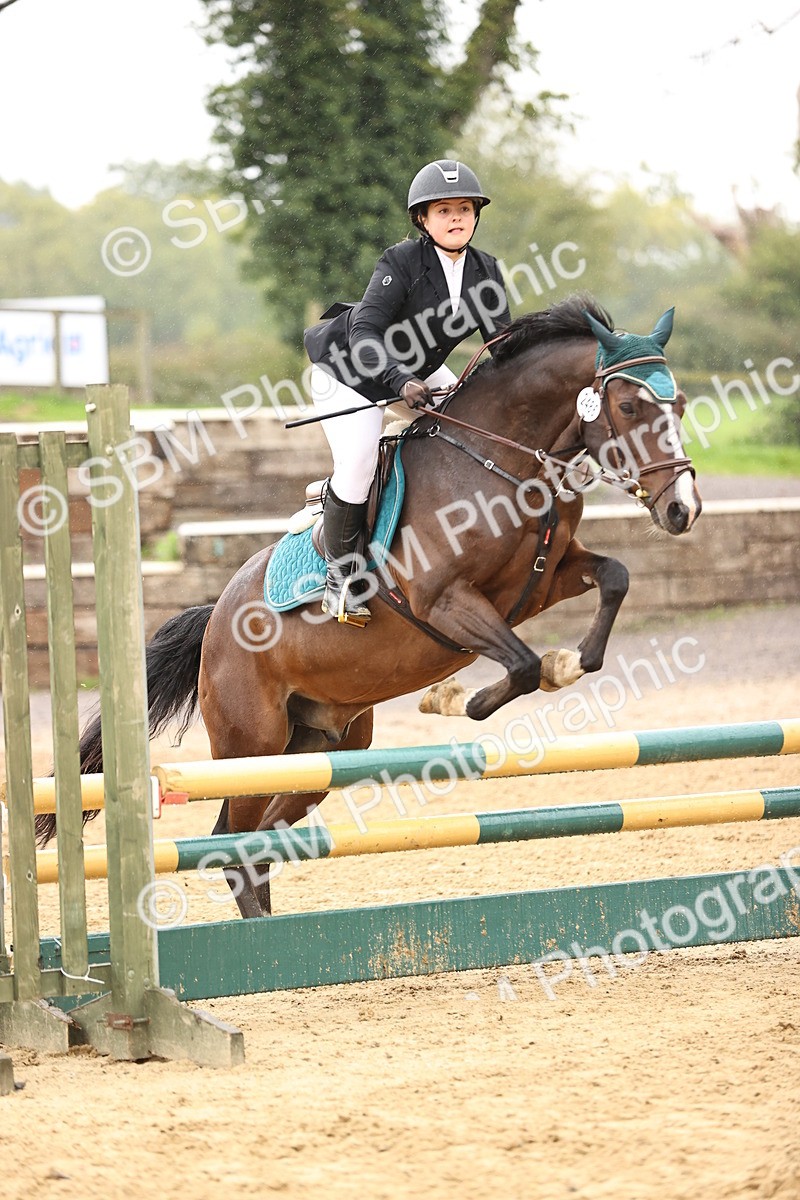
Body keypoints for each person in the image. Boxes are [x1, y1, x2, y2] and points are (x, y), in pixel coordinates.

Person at [303, 159, 511, 626]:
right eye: (443, 210)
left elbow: (504, 345)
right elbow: (364, 331)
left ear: (476, 215)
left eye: (464, 208)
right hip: (349, 372)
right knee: (356, 464)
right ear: (423, 218)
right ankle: (341, 578)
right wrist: (400, 382)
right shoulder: (401, 261)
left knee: (467, 429)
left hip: (419, 372)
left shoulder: (486, 271)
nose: (456, 218)